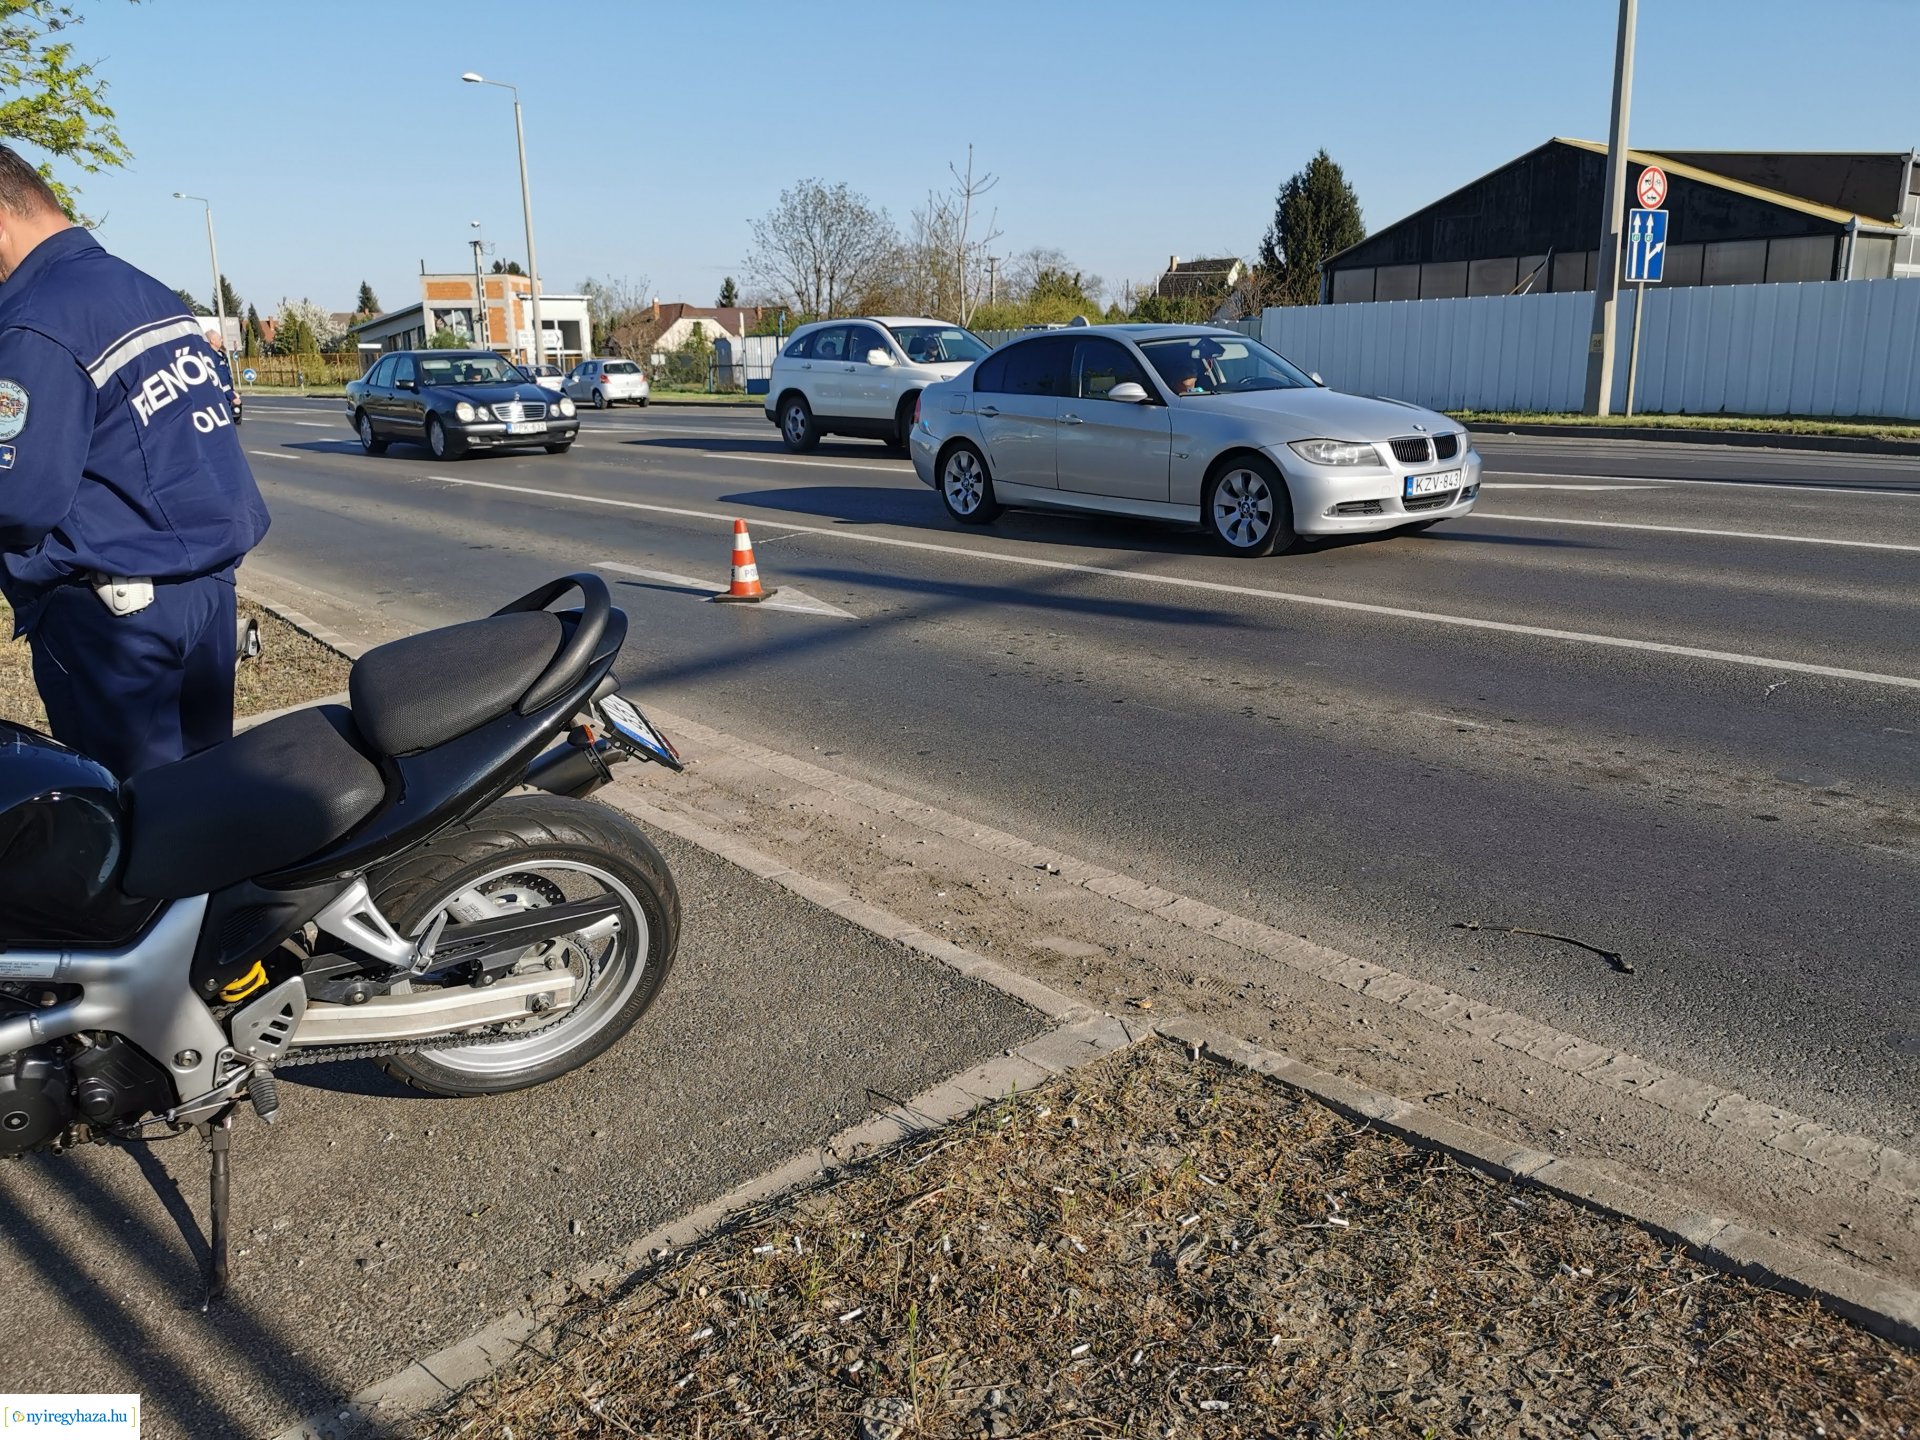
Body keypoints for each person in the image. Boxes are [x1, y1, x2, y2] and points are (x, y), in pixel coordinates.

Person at [0, 145, 270, 778]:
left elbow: (16, 498)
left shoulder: (35, 321)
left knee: (129, 812)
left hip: (116, 622)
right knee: (202, 798)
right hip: (205, 596)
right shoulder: (150, 293)